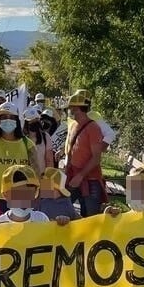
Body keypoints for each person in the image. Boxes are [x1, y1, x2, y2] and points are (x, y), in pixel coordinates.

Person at [0, 103, 38, 212]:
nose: (7, 120)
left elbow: (36, 173)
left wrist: (37, 197)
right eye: (4, 117)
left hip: (22, 198)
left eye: (11, 117)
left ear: (17, 120)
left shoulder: (28, 144)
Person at [63, 89, 106, 217]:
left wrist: (80, 175)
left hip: (90, 180)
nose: (68, 111)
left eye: (70, 108)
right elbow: (70, 150)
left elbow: (96, 158)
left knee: (90, 218)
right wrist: (67, 169)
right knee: (64, 209)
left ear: (76, 108)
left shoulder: (93, 128)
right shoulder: (73, 126)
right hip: (73, 176)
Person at [0, 165, 71, 225]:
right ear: (5, 194)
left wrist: (61, 227)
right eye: (19, 194)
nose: (24, 199)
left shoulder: (41, 219)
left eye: (30, 194)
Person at [23, 106, 55, 174]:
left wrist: (48, 177)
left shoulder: (46, 137)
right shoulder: (21, 139)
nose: (35, 122)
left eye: (36, 120)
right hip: (25, 178)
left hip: (41, 177)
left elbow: (49, 160)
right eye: (32, 121)